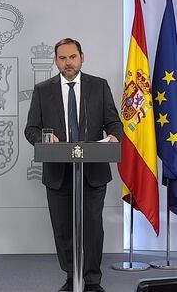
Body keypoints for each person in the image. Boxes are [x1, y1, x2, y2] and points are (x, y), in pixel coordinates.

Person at [24, 38, 122, 292]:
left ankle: (91, 281)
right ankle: (72, 277)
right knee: (63, 228)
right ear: (56, 60)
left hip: (92, 172)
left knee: (92, 228)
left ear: (82, 57)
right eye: (63, 58)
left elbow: (113, 122)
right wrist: (45, 139)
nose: (68, 63)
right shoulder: (43, 90)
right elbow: (31, 128)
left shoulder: (98, 86)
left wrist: (114, 135)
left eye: (72, 57)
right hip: (59, 172)